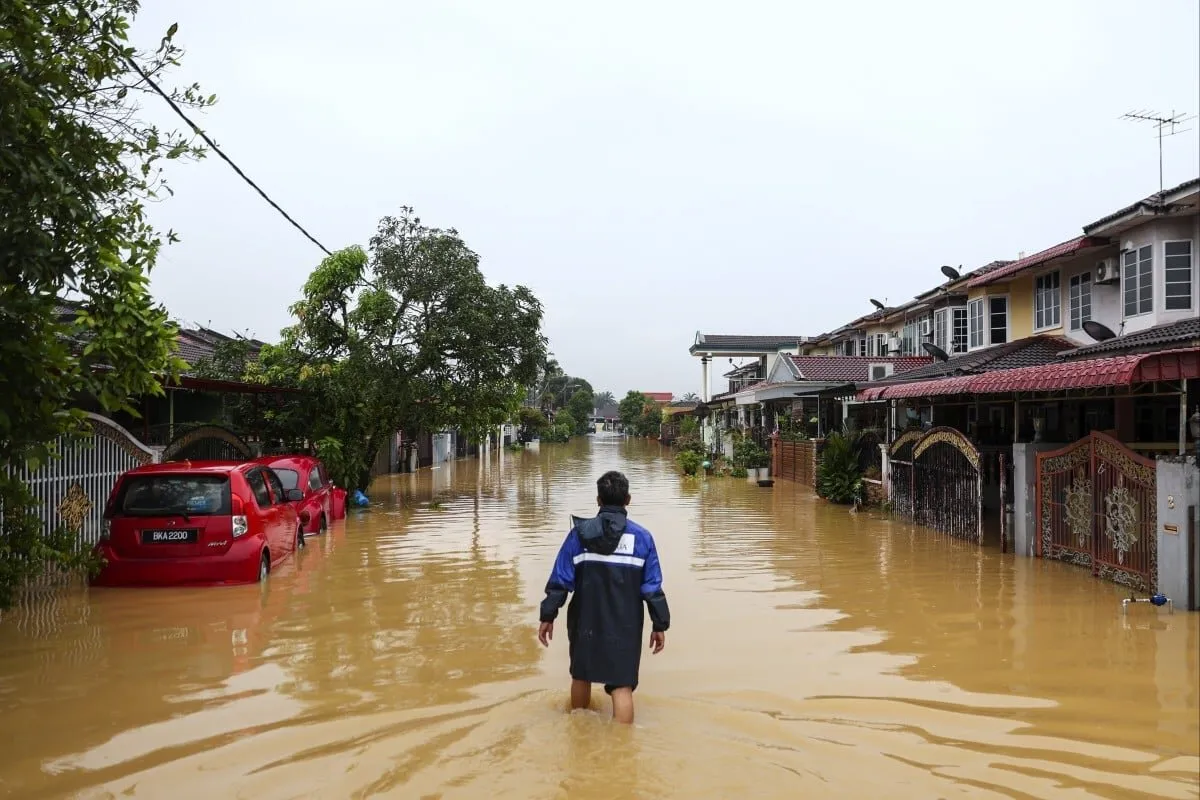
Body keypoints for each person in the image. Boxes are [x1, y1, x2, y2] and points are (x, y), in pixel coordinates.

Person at [537, 470, 670, 724]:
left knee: (581, 676)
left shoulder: (579, 535)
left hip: (586, 622)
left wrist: (548, 615)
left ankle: (578, 734)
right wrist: (659, 624)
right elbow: (652, 587)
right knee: (622, 686)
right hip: (626, 625)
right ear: (628, 500)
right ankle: (622, 750)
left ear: (598, 500)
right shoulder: (642, 539)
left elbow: (561, 579)